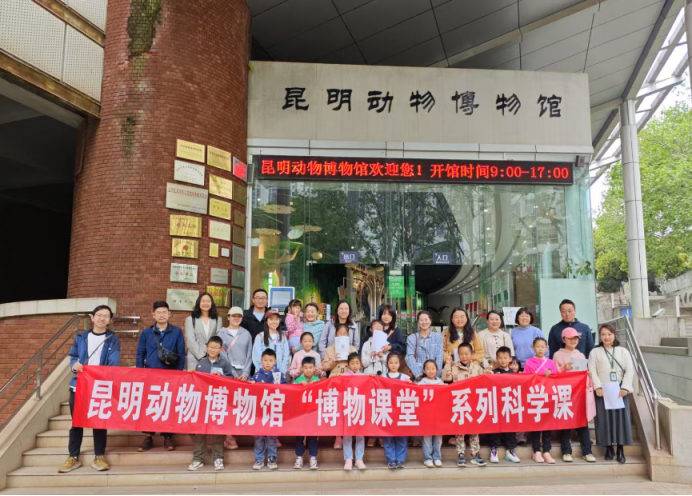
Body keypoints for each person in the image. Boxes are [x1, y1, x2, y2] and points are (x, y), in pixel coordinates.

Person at [59, 305, 120, 474]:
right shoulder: (81, 337)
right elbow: (73, 356)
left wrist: (99, 375)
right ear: (92, 318)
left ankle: (99, 456)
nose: (102, 318)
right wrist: (74, 365)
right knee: (76, 422)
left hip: (100, 387)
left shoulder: (112, 339)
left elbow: (113, 364)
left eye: (106, 316)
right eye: (99, 315)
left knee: (99, 422)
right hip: (79, 386)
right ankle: (73, 457)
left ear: (110, 320)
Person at [136, 301, 185, 452]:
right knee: (148, 405)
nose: (162, 315)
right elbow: (140, 354)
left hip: (170, 375)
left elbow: (181, 354)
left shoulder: (176, 331)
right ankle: (148, 437)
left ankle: (168, 437)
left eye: (164, 312)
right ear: (153, 315)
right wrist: (140, 373)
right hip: (150, 375)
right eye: (158, 312)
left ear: (169, 314)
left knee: (168, 405)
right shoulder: (146, 333)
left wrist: (178, 374)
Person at [588, 323, 635, 464]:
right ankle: (608, 448)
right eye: (603, 334)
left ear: (615, 335)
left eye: (609, 334)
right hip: (602, 390)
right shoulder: (594, 352)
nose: (606, 337)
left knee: (621, 420)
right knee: (604, 420)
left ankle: (620, 449)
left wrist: (625, 387)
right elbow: (592, 371)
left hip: (619, 390)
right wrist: (597, 387)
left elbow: (629, 370)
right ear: (600, 336)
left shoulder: (623, 351)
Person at [553, 328, 597, 464]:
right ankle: (566, 451)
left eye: (575, 338)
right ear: (564, 339)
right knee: (566, 422)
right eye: (570, 338)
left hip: (579, 393)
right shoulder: (557, 355)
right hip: (565, 393)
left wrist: (588, 376)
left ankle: (587, 451)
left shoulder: (581, 355)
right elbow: (554, 375)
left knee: (582, 422)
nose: (573, 341)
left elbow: (584, 375)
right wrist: (563, 368)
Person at [188, 337, 232, 472]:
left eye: (216, 348)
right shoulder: (201, 363)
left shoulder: (225, 364)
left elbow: (231, 381)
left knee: (218, 430)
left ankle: (218, 458)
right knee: (200, 431)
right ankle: (198, 459)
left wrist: (221, 377)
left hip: (218, 402)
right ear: (206, 347)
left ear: (221, 349)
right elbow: (196, 382)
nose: (213, 350)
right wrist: (191, 374)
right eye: (211, 347)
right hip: (203, 403)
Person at [442, 342, 489, 468]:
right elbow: (445, 378)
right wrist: (448, 364)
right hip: (460, 402)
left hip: (474, 403)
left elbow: (486, 379)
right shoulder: (454, 367)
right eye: (461, 354)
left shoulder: (477, 368)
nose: (464, 356)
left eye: (466, 354)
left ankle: (475, 454)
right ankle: (461, 454)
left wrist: (489, 371)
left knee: (474, 430)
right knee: (460, 430)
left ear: (472, 354)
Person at [217, 306, 253, 450]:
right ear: (228, 317)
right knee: (228, 405)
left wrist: (246, 372)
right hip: (228, 374)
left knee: (243, 404)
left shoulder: (246, 334)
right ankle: (229, 436)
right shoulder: (221, 333)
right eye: (233, 316)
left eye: (239, 316)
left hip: (244, 374)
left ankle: (241, 432)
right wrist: (233, 373)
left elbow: (249, 354)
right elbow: (222, 355)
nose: (236, 318)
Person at [322, 323, 357, 450]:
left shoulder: (352, 349)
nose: (342, 335)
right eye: (339, 333)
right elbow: (324, 366)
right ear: (335, 335)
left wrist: (350, 358)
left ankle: (348, 435)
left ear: (348, 335)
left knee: (348, 408)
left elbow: (357, 365)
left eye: (345, 334)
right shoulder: (329, 349)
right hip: (334, 379)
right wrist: (333, 361)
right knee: (337, 409)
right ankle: (337, 436)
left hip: (349, 380)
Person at [251, 349, 286, 470]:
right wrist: (251, 385)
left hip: (273, 411)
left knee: (272, 436)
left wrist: (280, 386)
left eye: (271, 360)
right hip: (260, 412)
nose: (268, 363)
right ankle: (259, 459)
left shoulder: (279, 375)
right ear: (261, 361)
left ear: (275, 361)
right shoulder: (256, 375)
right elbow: (250, 392)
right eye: (265, 360)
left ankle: (272, 458)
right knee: (259, 436)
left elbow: (287, 390)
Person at [524, 337, 558, 464]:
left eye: (543, 347)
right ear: (533, 348)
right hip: (535, 397)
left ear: (546, 348)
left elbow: (556, 379)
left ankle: (547, 451)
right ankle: (536, 450)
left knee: (547, 425)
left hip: (548, 397)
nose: (540, 349)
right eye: (537, 346)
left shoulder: (550, 362)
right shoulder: (529, 363)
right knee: (536, 425)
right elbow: (526, 380)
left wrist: (549, 376)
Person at [489, 347, 521, 464]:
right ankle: (494, 449)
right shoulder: (493, 372)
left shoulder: (514, 374)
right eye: (500, 358)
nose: (503, 360)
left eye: (505, 358)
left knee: (510, 428)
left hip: (509, 406)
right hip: (496, 405)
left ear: (510, 359)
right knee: (495, 427)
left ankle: (510, 450)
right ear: (496, 359)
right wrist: (492, 377)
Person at [294, 356, 320, 470]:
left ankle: (313, 458)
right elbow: (291, 393)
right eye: (305, 367)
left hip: (313, 414)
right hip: (300, 414)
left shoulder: (318, 381)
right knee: (299, 436)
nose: (308, 370)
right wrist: (298, 385)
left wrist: (317, 385)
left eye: (310, 367)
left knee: (312, 436)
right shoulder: (298, 380)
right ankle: (299, 457)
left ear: (315, 368)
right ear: (302, 369)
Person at [383, 353, 409, 470]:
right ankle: (391, 459)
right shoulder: (383, 377)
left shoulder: (405, 378)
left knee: (401, 436)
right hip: (387, 411)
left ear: (399, 364)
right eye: (391, 363)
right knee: (387, 437)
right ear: (387, 364)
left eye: (396, 363)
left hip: (401, 412)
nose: (393, 365)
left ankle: (400, 459)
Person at [185, 293, 223, 370]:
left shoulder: (217, 319)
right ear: (199, 303)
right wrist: (200, 356)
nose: (206, 303)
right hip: (194, 357)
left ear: (212, 303)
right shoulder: (190, 319)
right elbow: (190, 340)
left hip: (212, 357)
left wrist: (210, 354)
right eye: (203, 301)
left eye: (208, 301)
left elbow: (217, 339)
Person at [342, 353, 366, 471]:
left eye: (357, 363)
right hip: (348, 408)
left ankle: (359, 459)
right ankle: (348, 459)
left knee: (360, 435)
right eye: (352, 363)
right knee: (347, 435)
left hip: (360, 408)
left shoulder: (364, 376)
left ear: (361, 364)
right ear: (348, 364)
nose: (355, 366)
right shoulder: (344, 376)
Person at [419, 360, 444, 468]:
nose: (431, 371)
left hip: (438, 415)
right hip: (426, 415)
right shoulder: (421, 383)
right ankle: (428, 458)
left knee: (438, 438)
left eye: (433, 368)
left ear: (437, 370)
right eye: (428, 369)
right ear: (424, 371)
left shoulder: (440, 382)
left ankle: (437, 457)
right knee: (427, 438)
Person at [406, 311, 444, 381]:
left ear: (430, 321)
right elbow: (409, 357)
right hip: (419, 375)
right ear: (418, 322)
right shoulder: (412, 338)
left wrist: (436, 375)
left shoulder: (438, 337)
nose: (424, 322)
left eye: (426, 319)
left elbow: (439, 356)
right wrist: (418, 374)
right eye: (421, 320)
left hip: (434, 377)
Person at [252, 309, 291, 375]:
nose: (274, 322)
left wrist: (281, 373)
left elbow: (286, 357)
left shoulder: (283, 337)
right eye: (271, 319)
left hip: (279, 375)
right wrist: (265, 373)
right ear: (266, 321)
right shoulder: (260, 337)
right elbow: (256, 358)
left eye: (276, 319)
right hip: (262, 375)